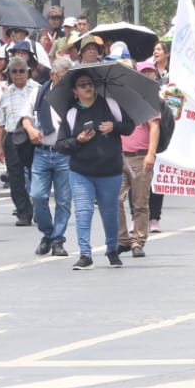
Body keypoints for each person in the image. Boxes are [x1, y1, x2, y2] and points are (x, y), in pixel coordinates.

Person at [55, 68, 135, 270]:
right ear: (75, 91)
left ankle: (111, 250)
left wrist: (114, 127)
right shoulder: (72, 113)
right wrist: (77, 141)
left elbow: (130, 126)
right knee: (83, 211)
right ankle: (85, 254)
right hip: (81, 171)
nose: (88, 87)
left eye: (90, 83)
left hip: (110, 171)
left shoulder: (110, 104)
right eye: (82, 85)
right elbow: (61, 144)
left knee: (110, 213)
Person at [23, 59, 74, 258]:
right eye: (64, 77)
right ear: (53, 76)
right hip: (42, 152)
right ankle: (47, 233)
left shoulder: (74, 96)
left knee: (63, 201)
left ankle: (57, 240)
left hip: (65, 153)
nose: (67, 81)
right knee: (37, 196)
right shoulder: (39, 93)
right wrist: (30, 129)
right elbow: (25, 116)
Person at [117, 60, 161, 259]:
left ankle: (138, 241)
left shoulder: (145, 96)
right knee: (114, 199)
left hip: (140, 157)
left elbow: (154, 126)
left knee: (140, 203)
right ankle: (122, 239)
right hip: (119, 157)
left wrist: (151, 153)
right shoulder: (115, 98)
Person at [0, 56, 40, 226]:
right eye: (14, 71)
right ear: (10, 74)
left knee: (37, 174)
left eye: (22, 70)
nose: (18, 74)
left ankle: (39, 208)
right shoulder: (6, 94)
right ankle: (23, 212)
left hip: (33, 137)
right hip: (13, 137)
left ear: (28, 72)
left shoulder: (38, 89)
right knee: (15, 178)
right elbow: (0, 122)